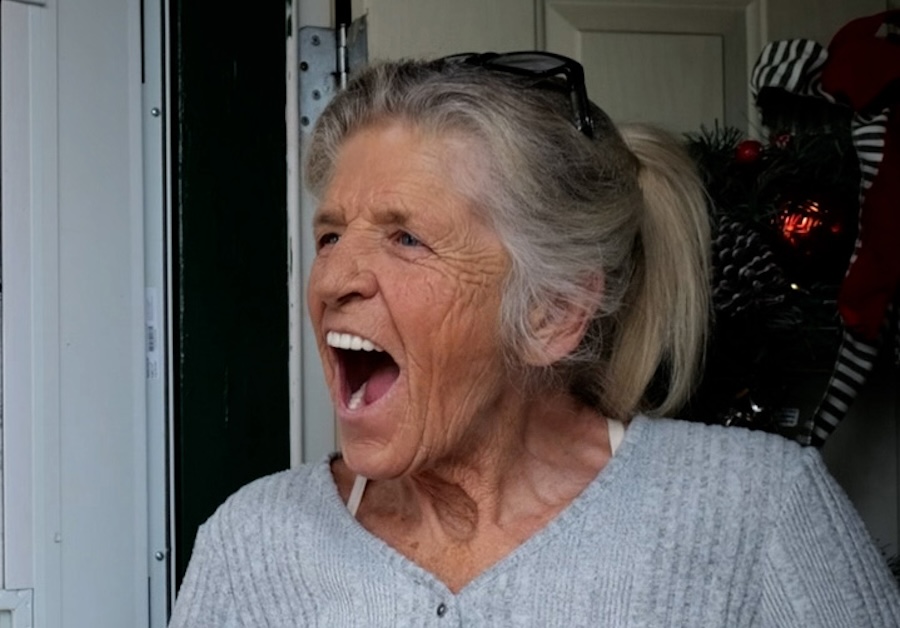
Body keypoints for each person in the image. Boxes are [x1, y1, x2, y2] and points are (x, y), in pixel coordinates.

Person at [169, 52, 900, 627]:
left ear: (554, 312)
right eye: (331, 235)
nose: (333, 278)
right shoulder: (253, 545)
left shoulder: (759, 512)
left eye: (406, 238)